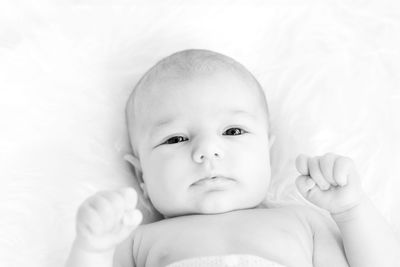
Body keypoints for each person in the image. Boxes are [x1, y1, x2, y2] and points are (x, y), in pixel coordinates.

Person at [66, 49, 400, 267]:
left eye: (233, 131)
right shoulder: (137, 241)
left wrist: (352, 212)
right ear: (142, 177)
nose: (207, 151)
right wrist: (93, 247)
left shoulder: (304, 223)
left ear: (267, 153)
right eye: (176, 138)